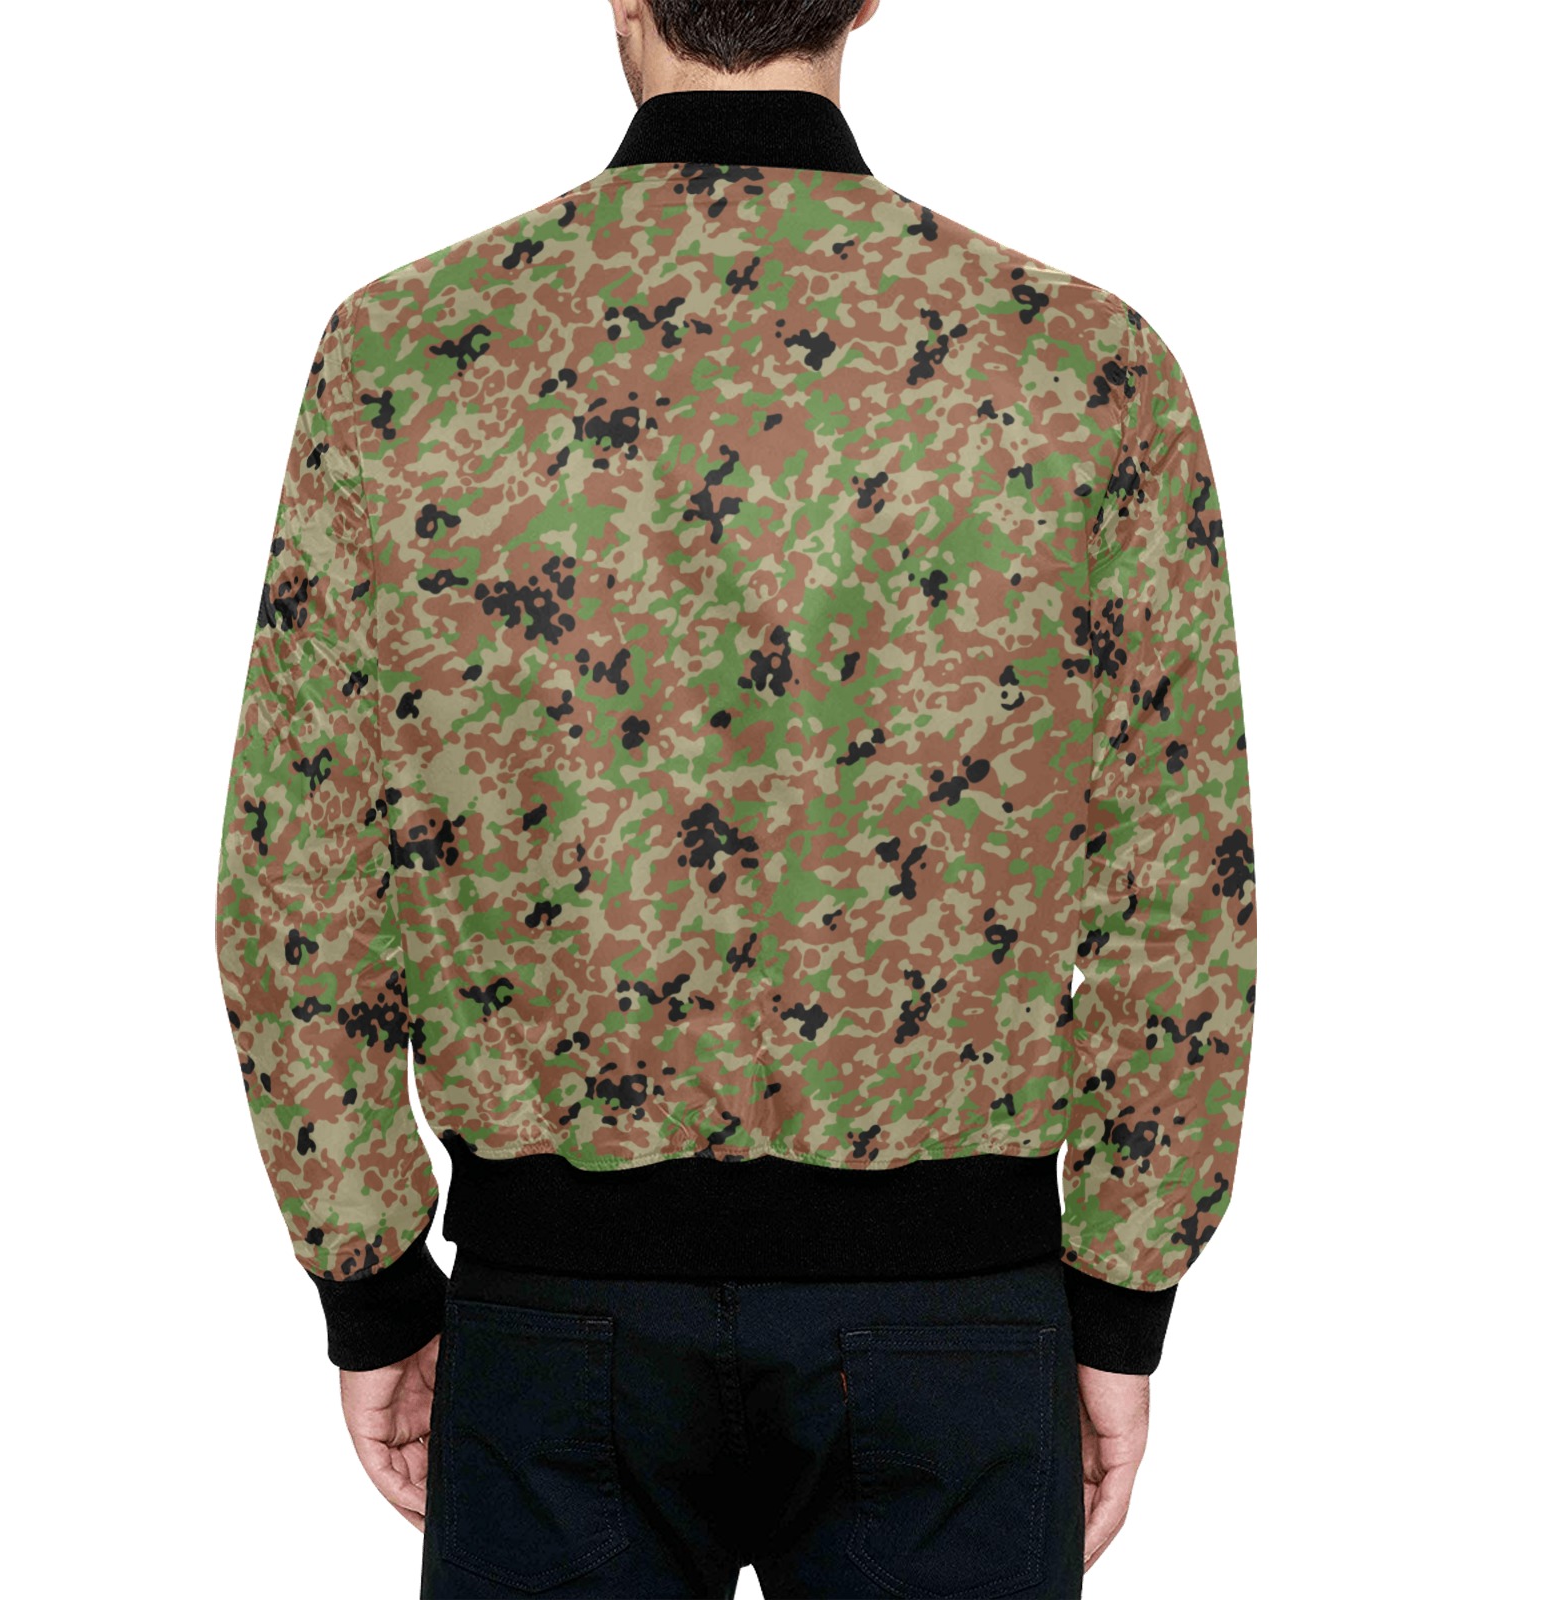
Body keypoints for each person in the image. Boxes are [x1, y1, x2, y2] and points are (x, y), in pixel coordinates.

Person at [214, 2, 1258, 1594]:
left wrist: (371, 1282)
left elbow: (300, 865)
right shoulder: (1080, 363)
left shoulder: (409, 351)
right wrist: (1121, 1299)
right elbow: (1182, 878)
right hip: (954, 1313)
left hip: (554, 1311)